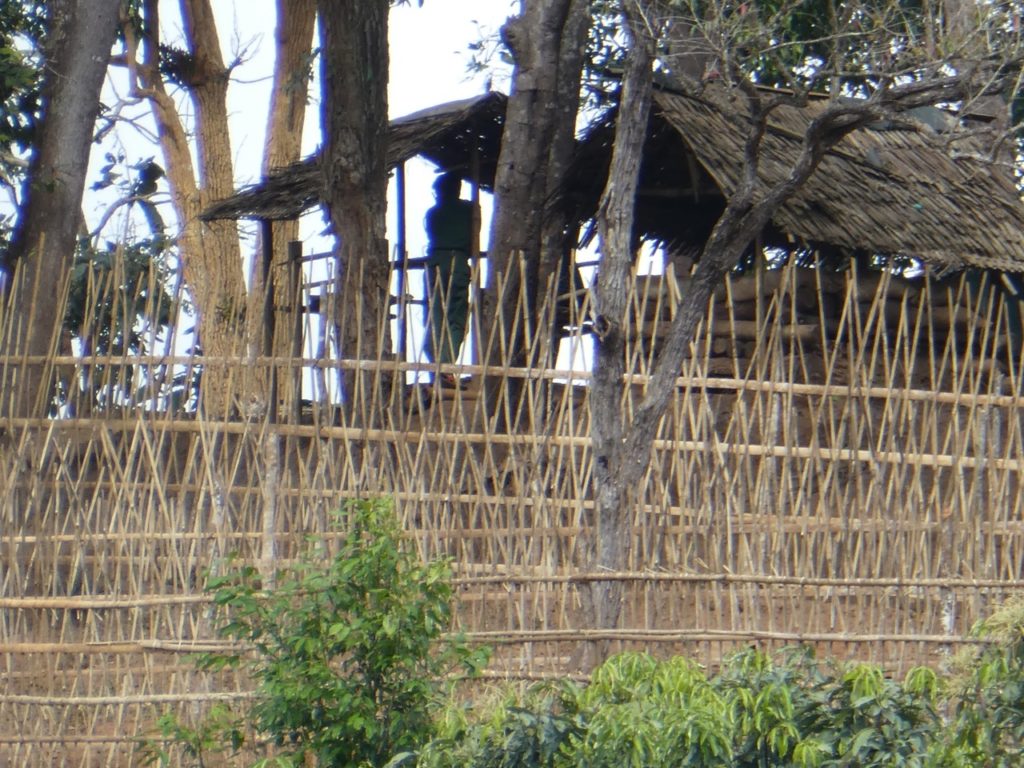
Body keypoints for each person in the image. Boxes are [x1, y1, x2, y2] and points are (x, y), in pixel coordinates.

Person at [424, 171, 474, 388]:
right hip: (457, 262)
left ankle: (438, 363)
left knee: (435, 315)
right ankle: (446, 366)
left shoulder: (433, 213)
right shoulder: (470, 209)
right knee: (456, 317)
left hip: (435, 262)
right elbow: (474, 237)